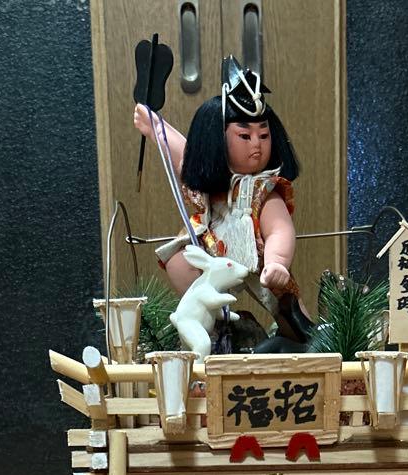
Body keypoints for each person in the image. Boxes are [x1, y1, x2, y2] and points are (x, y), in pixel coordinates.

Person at [133, 56, 313, 343]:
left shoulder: (263, 191)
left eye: (263, 135)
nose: (257, 144)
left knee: (287, 310)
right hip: (213, 250)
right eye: (245, 136)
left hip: (257, 256)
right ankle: (215, 325)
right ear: (217, 141)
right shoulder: (215, 184)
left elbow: (280, 230)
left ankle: (300, 335)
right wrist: (156, 127)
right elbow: (183, 154)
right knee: (179, 261)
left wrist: (277, 262)